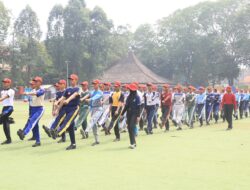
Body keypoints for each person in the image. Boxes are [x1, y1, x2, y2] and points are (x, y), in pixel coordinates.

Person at [50, 74, 80, 150]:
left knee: (66, 122)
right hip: (67, 109)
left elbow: (75, 95)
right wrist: (57, 108)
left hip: (74, 109)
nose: (71, 81)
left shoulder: (78, 88)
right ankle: (73, 144)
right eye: (70, 79)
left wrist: (68, 100)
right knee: (70, 127)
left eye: (72, 79)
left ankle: (57, 133)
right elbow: (63, 99)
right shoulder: (67, 89)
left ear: (76, 80)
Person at [17, 76, 45, 147]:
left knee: (32, 121)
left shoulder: (42, 89)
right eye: (34, 81)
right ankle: (38, 141)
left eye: (36, 81)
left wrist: (26, 93)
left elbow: (37, 94)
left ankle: (24, 133)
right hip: (33, 109)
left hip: (39, 109)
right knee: (35, 125)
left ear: (40, 82)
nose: (35, 82)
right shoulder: (32, 90)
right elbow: (31, 100)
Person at [120, 83, 140, 149]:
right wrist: (122, 114)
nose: (129, 90)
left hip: (135, 113)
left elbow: (138, 107)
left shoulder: (137, 97)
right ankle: (133, 143)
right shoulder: (129, 96)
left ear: (133, 90)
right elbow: (126, 106)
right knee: (129, 128)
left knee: (131, 126)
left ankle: (133, 143)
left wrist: (138, 116)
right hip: (129, 113)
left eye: (130, 89)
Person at [84, 79, 104, 146]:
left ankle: (86, 131)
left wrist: (89, 99)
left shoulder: (100, 92)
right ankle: (97, 140)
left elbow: (96, 97)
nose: (94, 85)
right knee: (94, 126)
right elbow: (88, 95)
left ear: (98, 84)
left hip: (99, 109)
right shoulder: (92, 92)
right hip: (93, 109)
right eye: (93, 84)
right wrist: (84, 99)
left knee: (92, 120)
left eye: (95, 84)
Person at [0, 78, 15, 145]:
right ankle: (9, 140)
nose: (4, 83)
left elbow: (5, 97)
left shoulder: (11, 91)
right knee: (5, 124)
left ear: (9, 83)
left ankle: (9, 120)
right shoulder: (2, 91)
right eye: (4, 82)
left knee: (2, 117)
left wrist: (0, 99)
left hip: (9, 108)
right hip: (4, 108)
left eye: (6, 82)